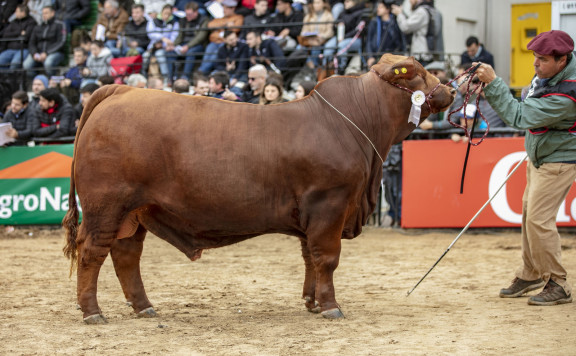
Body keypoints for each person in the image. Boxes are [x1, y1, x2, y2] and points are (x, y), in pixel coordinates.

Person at [475, 30, 576, 306]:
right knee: (530, 215)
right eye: (535, 57)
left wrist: (494, 83)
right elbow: (526, 103)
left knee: (539, 220)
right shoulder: (550, 74)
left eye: (542, 59)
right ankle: (531, 272)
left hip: (558, 160)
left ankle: (558, 282)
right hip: (541, 154)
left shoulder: (568, 95)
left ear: (561, 60)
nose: (535, 64)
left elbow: (520, 115)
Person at [198, 0, 243, 75]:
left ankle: (201, 72)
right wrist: (225, 24)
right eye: (223, 8)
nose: (224, 10)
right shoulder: (220, 18)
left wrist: (218, 29)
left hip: (225, 43)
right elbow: (210, 25)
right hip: (214, 42)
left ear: (232, 8)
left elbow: (236, 29)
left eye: (226, 8)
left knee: (214, 57)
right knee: (207, 56)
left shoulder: (238, 17)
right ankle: (201, 72)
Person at [322, 0, 365, 73]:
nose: (345, 3)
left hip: (355, 39)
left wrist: (344, 37)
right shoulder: (343, 12)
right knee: (328, 46)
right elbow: (334, 26)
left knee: (342, 45)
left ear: (354, 2)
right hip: (340, 37)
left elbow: (358, 31)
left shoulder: (361, 13)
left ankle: (340, 69)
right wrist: (336, 26)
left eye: (348, 1)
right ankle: (325, 70)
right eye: (345, 1)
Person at [23, 6, 66, 77]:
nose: (44, 15)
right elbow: (32, 43)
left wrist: (46, 53)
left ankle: (51, 80)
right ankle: (37, 80)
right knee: (26, 65)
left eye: (46, 13)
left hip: (55, 52)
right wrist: (34, 53)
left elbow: (61, 42)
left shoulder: (60, 24)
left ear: (52, 13)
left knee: (48, 63)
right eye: (43, 13)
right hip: (38, 53)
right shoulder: (38, 26)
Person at [170, 1, 209, 80]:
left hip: (198, 45)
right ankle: (170, 78)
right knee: (169, 52)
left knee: (190, 52)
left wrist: (188, 46)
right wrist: (173, 45)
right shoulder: (183, 20)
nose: (187, 16)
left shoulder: (204, 20)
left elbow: (200, 37)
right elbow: (180, 35)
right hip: (184, 43)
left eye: (190, 14)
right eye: (186, 14)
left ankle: (185, 77)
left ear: (196, 12)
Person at [145, 4, 180, 84]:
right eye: (165, 13)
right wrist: (162, 38)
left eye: (169, 14)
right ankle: (146, 77)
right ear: (161, 12)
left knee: (160, 54)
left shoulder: (174, 23)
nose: (166, 16)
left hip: (167, 47)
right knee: (145, 56)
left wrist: (165, 44)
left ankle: (166, 77)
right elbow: (150, 34)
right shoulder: (153, 21)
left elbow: (174, 36)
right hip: (153, 46)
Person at [391, 0, 434, 65]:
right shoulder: (420, 10)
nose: (410, 1)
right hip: (418, 54)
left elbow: (406, 27)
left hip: (421, 55)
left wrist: (399, 14)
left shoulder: (421, 11)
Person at [365, 0, 405, 67]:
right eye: (378, 7)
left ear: (387, 10)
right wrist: (370, 56)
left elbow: (399, 40)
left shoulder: (395, 22)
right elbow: (369, 41)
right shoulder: (374, 22)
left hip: (393, 56)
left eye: (381, 7)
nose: (378, 9)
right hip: (378, 56)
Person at [0, 5, 37, 70]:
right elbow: (5, 34)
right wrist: (19, 32)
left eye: (17, 11)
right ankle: (5, 79)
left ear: (23, 12)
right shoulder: (14, 22)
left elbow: (26, 37)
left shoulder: (31, 22)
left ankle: (13, 79)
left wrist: (14, 34)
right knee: (1, 61)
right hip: (10, 49)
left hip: (23, 49)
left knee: (15, 63)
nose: (15, 13)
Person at [297, 0, 333, 68]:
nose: (315, 5)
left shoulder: (329, 16)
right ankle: (310, 64)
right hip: (309, 40)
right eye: (314, 3)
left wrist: (321, 36)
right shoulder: (308, 16)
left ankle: (315, 68)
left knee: (316, 48)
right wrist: (308, 35)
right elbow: (303, 31)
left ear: (324, 4)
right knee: (299, 48)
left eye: (318, 3)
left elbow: (330, 32)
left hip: (321, 40)